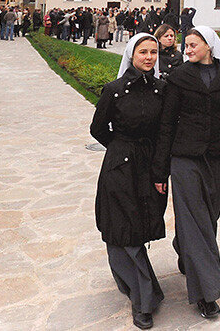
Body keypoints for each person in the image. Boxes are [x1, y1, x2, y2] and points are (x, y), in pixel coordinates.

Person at [153, 26, 220, 320]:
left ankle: (185, 247)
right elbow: (166, 124)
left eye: (193, 45)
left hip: (216, 161)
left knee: (208, 219)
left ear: (209, 46)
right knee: (196, 223)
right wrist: (160, 170)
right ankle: (206, 294)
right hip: (185, 160)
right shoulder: (179, 79)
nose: (188, 49)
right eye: (186, 45)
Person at [90, 32, 169, 330]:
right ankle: (143, 300)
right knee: (122, 229)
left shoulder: (162, 90)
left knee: (137, 227)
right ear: (131, 55)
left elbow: (165, 134)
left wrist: (160, 170)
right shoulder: (114, 90)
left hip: (150, 166)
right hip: (120, 168)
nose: (148, 57)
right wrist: (121, 147)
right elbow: (97, 128)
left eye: (153, 52)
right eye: (143, 52)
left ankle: (132, 284)